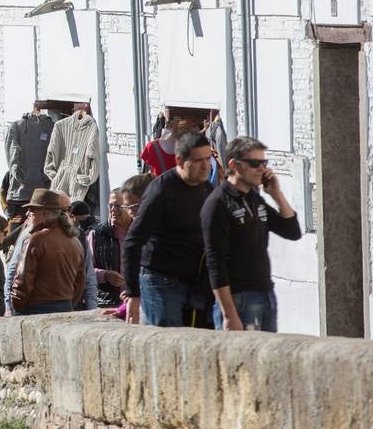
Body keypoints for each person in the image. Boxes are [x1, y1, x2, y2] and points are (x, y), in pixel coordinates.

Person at [201, 136, 301, 332]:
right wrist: (229, 314)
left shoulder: (254, 199)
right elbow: (215, 262)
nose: (261, 169)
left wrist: (276, 194)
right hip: (239, 298)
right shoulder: (218, 204)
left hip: (265, 292)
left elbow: (292, 231)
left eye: (264, 163)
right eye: (255, 163)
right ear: (234, 165)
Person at [122, 132, 217, 327]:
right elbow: (133, 241)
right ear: (180, 160)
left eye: (208, 159)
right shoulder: (161, 189)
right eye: (198, 160)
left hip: (195, 282)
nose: (205, 166)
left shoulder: (207, 189)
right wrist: (133, 294)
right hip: (160, 281)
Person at [10, 200, 86, 316]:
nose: (27, 214)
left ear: (45, 213)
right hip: (65, 306)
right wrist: (68, 302)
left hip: (35, 308)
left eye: (32, 211)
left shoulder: (37, 239)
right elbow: (80, 282)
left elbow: (23, 280)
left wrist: (17, 306)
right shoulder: (75, 241)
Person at [92, 176, 152, 309]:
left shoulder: (142, 233)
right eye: (110, 205)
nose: (113, 210)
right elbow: (86, 271)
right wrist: (105, 275)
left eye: (118, 206)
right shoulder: (97, 234)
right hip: (108, 304)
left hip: (140, 302)